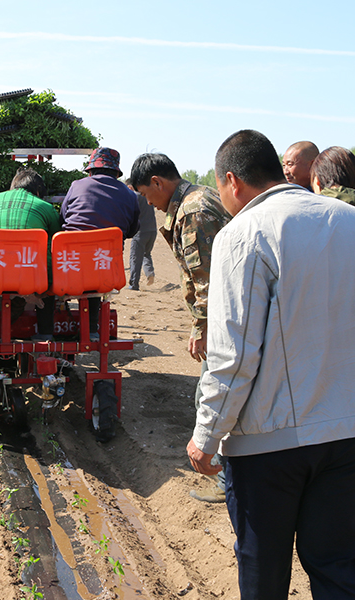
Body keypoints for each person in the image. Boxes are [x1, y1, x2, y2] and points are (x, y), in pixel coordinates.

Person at [188, 129, 355, 600]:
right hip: (345, 433)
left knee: (264, 571)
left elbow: (233, 355)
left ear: (232, 180)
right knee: (338, 566)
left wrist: (206, 435)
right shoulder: (347, 219)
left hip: (271, 443)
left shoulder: (242, 234)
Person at [130, 152, 230, 502]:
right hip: (229, 311)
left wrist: (200, 327)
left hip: (223, 317)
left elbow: (206, 277)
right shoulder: (201, 196)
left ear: (158, 182)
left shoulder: (192, 211)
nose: (148, 202)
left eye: (145, 193)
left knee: (212, 393)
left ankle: (226, 479)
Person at [0, 167, 60, 340]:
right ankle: (45, 333)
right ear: (37, 191)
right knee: (48, 282)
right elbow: (56, 242)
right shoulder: (46, 207)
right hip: (29, 274)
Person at [60, 147, 140, 334]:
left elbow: (62, 218)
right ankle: (93, 329)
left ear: (91, 170)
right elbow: (132, 230)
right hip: (106, 268)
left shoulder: (76, 186)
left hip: (69, 264)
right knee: (97, 273)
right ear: (116, 171)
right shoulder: (129, 194)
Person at [125, 180, 157, 290]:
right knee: (146, 254)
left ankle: (134, 284)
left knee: (135, 258)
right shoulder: (147, 196)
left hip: (140, 232)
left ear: (130, 187)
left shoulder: (134, 197)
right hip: (152, 231)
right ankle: (149, 273)